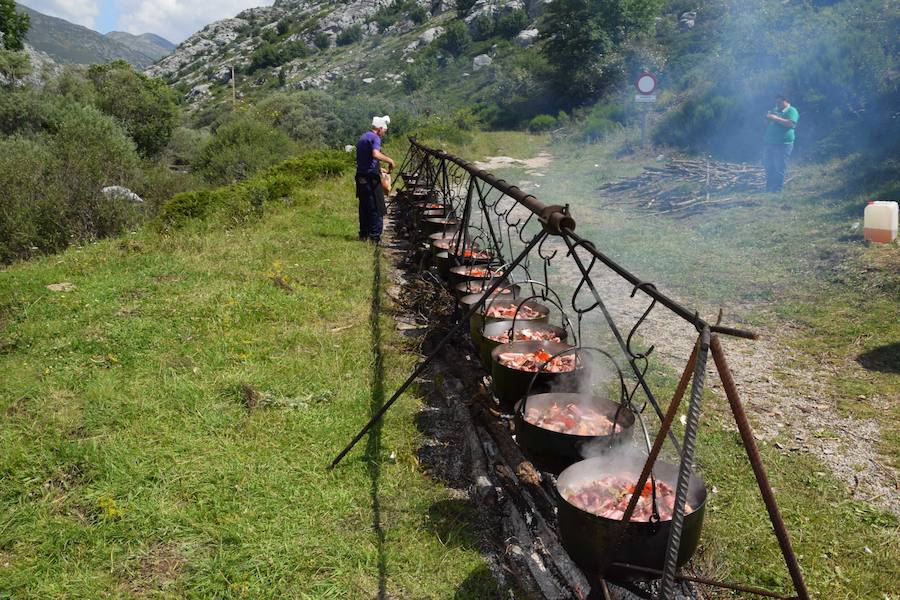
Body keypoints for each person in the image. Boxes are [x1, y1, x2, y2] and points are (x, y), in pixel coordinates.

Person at [355, 116, 396, 243]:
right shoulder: (375, 138)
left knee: (364, 206)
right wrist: (390, 161)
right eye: (384, 130)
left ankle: (363, 234)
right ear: (379, 129)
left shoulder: (363, 137)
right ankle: (375, 237)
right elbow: (375, 154)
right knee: (376, 207)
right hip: (370, 178)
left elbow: (367, 159)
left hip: (360, 175)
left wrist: (379, 169)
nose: (385, 133)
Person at [762, 94, 799, 193]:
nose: (777, 104)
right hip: (769, 143)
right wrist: (767, 118)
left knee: (779, 166)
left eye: (779, 102)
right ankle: (768, 188)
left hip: (783, 144)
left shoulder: (792, 110)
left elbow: (790, 124)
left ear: (786, 101)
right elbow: (766, 125)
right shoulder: (776, 110)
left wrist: (775, 118)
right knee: (769, 166)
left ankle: (777, 190)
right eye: (776, 102)